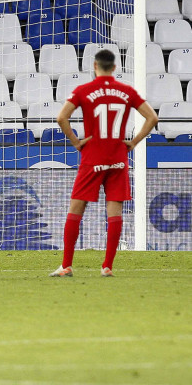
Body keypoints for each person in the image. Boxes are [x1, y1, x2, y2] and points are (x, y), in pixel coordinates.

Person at [50, 49, 158, 278]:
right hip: (118, 157)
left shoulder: (83, 90)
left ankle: (67, 265)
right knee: (115, 210)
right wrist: (134, 142)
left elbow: (61, 117)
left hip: (92, 157)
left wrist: (77, 142)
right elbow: (152, 118)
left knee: (76, 209)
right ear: (115, 68)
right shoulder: (126, 91)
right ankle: (107, 266)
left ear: (95, 66)